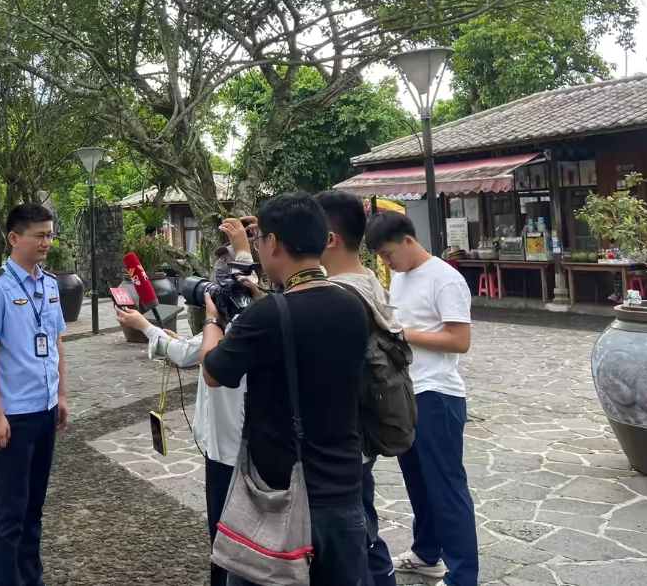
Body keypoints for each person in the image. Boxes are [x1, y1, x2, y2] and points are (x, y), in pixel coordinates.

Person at [200, 192, 370, 586]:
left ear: (274, 243)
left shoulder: (267, 315)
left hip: (282, 498)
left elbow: (213, 371)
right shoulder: (351, 305)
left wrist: (212, 320)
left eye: (260, 240)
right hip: (343, 491)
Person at [116, 224, 256, 586]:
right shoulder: (258, 315)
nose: (216, 286)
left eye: (224, 278)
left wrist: (144, 325)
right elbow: (192, 349)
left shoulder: (235, 324)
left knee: (225, 530)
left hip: (228, 448)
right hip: (249, 445)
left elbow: (185, 354)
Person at [364, 213, 478, 586]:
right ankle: (427, 554)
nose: (387, 263)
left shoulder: (445, 278)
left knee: (446, 487)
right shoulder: (400, 276)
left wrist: (402, 333)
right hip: (406, 393)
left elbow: (460, 340)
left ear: (408, 241)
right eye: (381, 257)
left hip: (437, 395)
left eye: (388, 253)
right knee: (418, 482)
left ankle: (463, 576)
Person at [0, 203, 70, 586]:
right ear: (15, 238)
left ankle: (32, 580)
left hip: (45, 409)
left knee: (33, 509)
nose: (47, 242)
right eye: (39, 235)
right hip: (13, 415)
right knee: (8, 514)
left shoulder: (49, 284)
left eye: (50, 234)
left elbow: (57, 341)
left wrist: (61, 395)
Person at [315, 191, 401, 586]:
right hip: (365, 429)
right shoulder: (367, 280)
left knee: (357, 535)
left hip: (345, 437)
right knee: (365, 521)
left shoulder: (337, 295)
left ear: (329, 239)